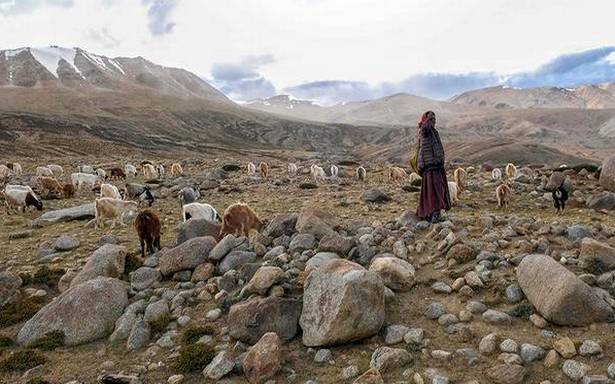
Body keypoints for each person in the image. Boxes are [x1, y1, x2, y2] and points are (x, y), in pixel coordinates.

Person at [416, 111, 451, 222]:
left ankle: (434, 212)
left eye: (434, 120)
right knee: (434, 190)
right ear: (426, 121)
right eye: (431, 120)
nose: (434, 122)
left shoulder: (432, 131)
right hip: (431, 166)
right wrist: (428, 118)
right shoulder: (425, 130)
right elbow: (425, 126)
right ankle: (433, 214)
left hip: (436, 165)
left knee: (438, 189)